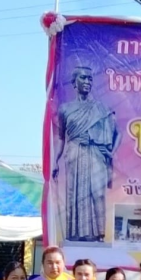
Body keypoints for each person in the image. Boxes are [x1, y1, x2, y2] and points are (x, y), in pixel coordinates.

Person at [52, 66, 118, 242]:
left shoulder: (101, 108)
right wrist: (55, 161)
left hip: (96, 153)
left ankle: (100, 235)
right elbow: (60, 138)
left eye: (90, 78)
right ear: (74, 82)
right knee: (76, 195)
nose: (87, 82)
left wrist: (110, 152)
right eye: (83, 78)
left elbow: (117, 133)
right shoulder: (65, 109)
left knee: (98, 193)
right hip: (74, 153)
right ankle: (76, 234)